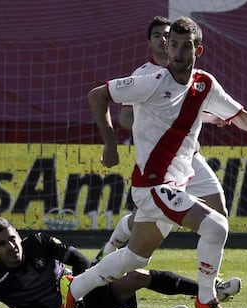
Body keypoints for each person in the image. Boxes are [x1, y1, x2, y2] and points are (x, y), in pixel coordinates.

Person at [60, 16, 247, 308]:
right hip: (154, 185)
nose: (179, 53)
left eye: (186, 47)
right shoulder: (151, 81)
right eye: (174, 46)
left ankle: (74, 289)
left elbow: (238, 117)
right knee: (216, 226)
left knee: (134, 258)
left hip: (176, 181)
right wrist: (110, 144)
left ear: (199, 49)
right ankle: (206, 298)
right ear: (166, 47)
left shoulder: (205, 85)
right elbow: (96, 95)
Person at [94, 16, 230, 261]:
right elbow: (126, 118)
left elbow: (187, 114)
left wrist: (211, 118)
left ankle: (211, 282)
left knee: (218, 213)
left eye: (168, 36)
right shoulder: (144, 75)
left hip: (189, 157)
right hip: (157, 160)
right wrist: (154, 131)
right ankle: (108, 253)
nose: (164, 40)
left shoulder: (191, 76)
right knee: (144, 224)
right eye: (158, 35)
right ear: (153, 43)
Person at [0, 217, 203, 308]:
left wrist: (81, 286)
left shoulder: (39, 243)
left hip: (84, 290)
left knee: (137, 276)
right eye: (2, 244)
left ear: (18, 236)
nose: (11, 246)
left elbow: (81, 261)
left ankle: (207, 289)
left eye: (12, 239)